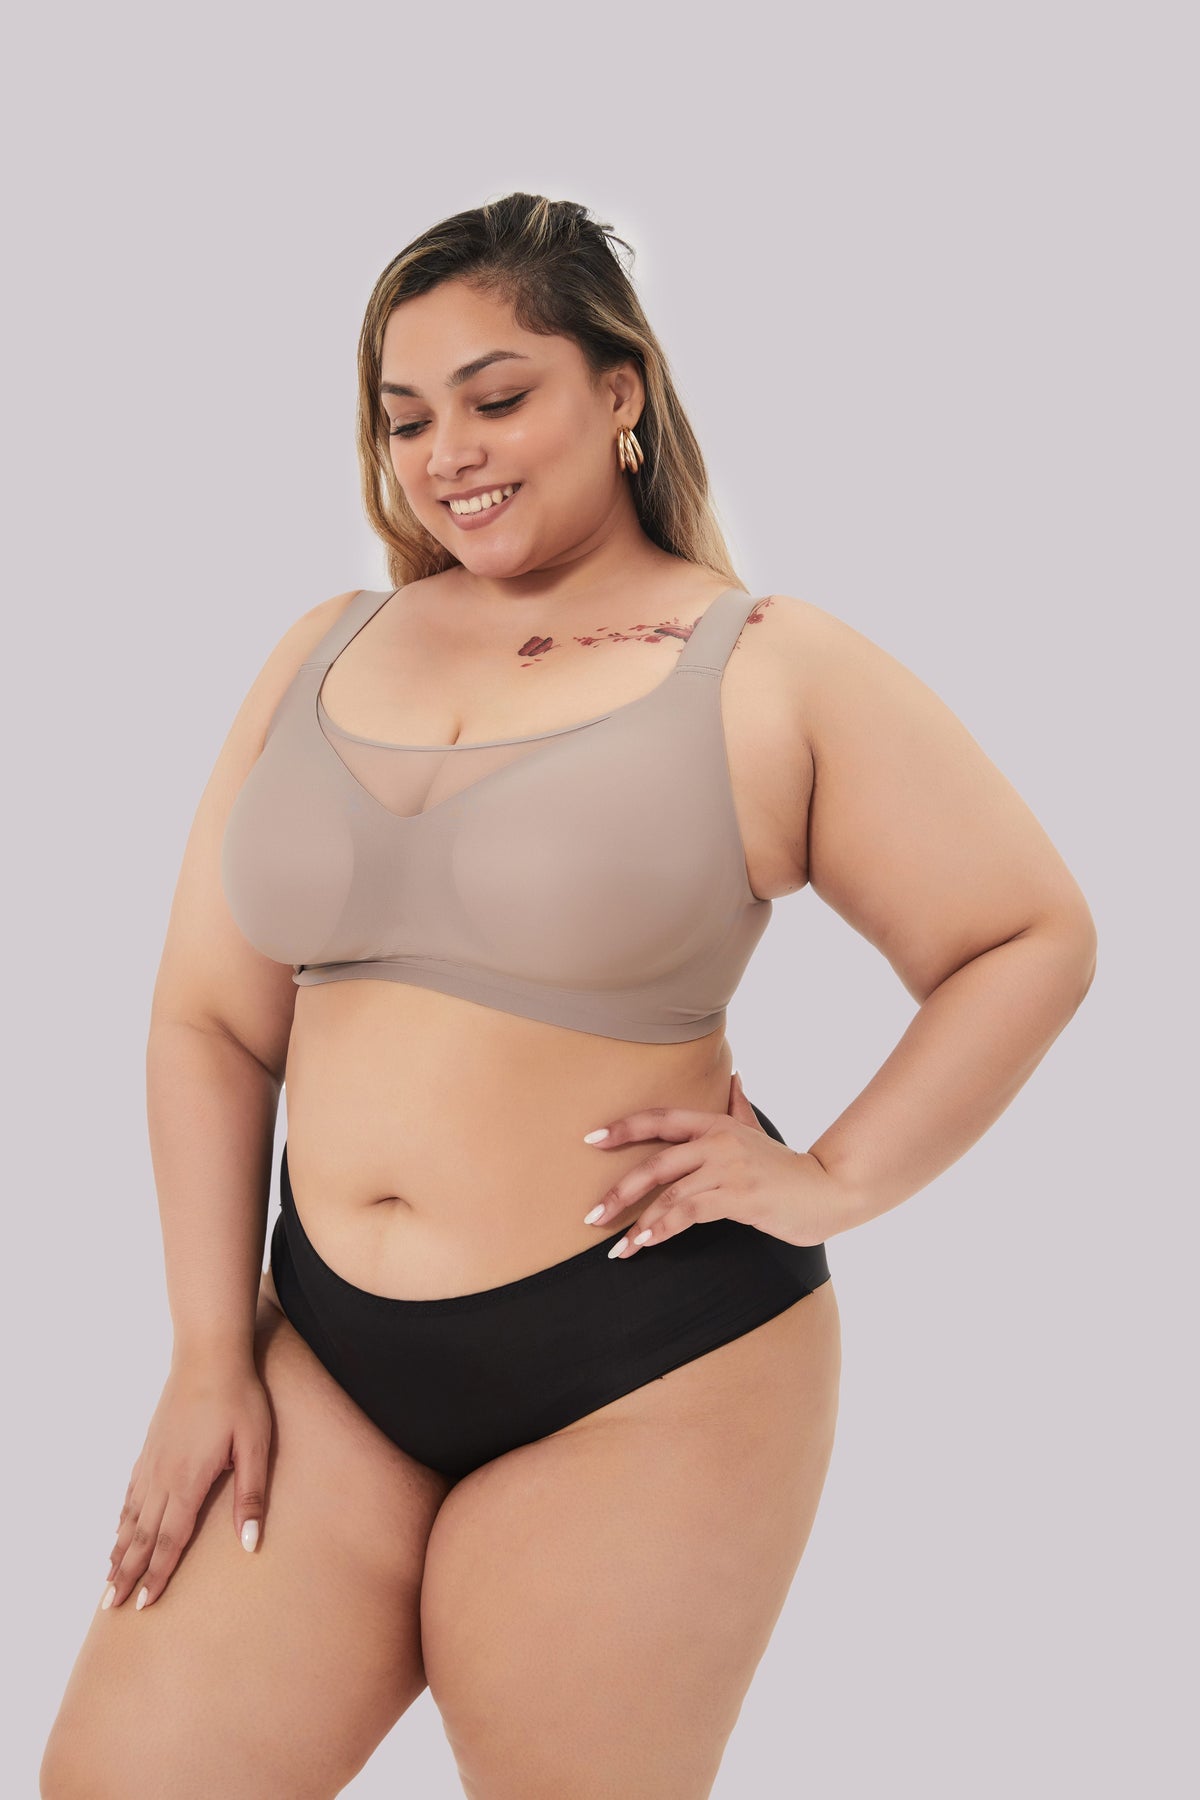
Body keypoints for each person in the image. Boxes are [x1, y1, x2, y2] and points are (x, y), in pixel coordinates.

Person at [40, 192, 1097, 1800]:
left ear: (620, 390)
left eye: (497, 396)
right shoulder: (326, 648)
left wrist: (836, 1177)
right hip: (319, 1350)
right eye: (407, 418)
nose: (448, 452)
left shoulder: (765, 664)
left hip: (646, 1365)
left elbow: (1026, 937)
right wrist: (206, 1355)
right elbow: (211, 1020)